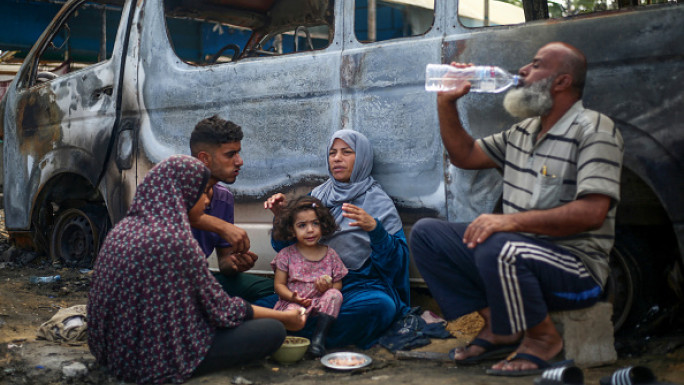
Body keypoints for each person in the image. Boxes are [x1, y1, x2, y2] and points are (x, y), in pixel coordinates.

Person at [409, 42, 624, 376]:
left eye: (536, 65)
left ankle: (542, 339)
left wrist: (508, 221)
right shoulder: (524, 132)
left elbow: (592, 212)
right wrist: (446, 102)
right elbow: (464, 155)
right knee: (426, 234)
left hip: (576, 272)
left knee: (498, 242)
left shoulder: (594, 130)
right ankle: (498, 325)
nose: (523, 70)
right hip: (513, 257)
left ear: (562, 82)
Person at [87, 155, 306, 384]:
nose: (207, 202)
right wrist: (286, 318)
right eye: (202, 193)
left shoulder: (123, 230)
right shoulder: (175, 241)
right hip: (151, 361)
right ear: (182, 193)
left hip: (112, 354)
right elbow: (223, 310)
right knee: (272, 331)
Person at [263, 129, 411, 350]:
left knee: (380, 307)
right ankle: (311, 334)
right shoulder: (316, 198)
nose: (337, 159)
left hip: (359, 286)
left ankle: (294, 332)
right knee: (256, 306)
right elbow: (287, 248)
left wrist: (375, 230)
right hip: (306, 287)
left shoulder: (379, 203)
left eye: (346, 152)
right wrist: (280, 217)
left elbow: (396, 265)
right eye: (332, 153)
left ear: (362, 158)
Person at [189, 115, 274, 303]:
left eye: (238, 153)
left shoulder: (224, 198)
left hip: (201, 278)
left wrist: (235, 263)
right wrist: (222, 226)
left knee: (271, 290)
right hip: (169, 282)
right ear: (204, 158)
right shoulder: (174, 190)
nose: (239, 161)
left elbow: (224, 263)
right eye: (230, 154)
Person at [270, 195, 348, 357]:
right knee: (292, 313)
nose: (310, 230)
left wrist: (328, 288)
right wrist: (294, 297)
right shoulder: (287, 255)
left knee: (335, 295)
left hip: (321, 302)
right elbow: (279, 285)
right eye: (302, 225)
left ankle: (319, 339)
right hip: (294, 302)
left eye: (315, 223)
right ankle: (286, 340)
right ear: (292, 229)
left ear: (323, 225)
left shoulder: (330, 254)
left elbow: (338, 284)